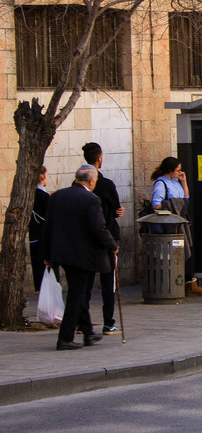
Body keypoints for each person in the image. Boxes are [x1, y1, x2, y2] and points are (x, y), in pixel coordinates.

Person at [42, 165, 119, 350]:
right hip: (83, 255)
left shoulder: (58, 196)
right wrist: (113, 245)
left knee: (80, 292)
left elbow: (47, 225)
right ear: (91, 181)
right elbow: (99, 228)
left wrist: (46, 254)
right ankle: (65, 338)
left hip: (63, 254)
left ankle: (88, 332)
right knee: (77, 295)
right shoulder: (91, 199)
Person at [151, 157, 202, 295]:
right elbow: (156, 205)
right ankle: (179, 283)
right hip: (169, 225)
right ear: (170, 171)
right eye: (178, 171)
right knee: (173, 254)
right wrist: (173, 205)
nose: (180, 172)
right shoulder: (161, 183)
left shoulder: (176, 181)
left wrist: (184, 182)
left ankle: (190, 282)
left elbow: (186, 199)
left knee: (186, 250)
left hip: (180, 221)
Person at [82, 143, 124, 335]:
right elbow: (115, 210)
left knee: (85, 283)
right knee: (109, 282)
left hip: (86, 238)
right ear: (99, 157)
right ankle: (108, 322)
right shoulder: (106, 184)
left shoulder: (79, 186)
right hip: (107, 237)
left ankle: (81, 321)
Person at [28, 164, 50, 292]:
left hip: (33, 237)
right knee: (47, 275)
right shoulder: (43, 197)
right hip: (43, 239)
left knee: (39, 273)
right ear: (42, 176)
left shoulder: (30, 195)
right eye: (47, 175)